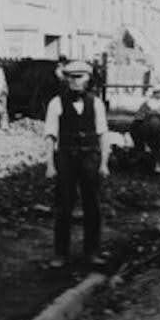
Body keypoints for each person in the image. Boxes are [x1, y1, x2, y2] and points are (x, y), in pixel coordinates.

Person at [44, 60, 111, 268]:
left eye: (80, 76)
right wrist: (50, 164)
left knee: (92, 205)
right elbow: (50, 135)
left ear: (88, 79)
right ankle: (60, 254)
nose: (75, 81)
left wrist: (104, 163)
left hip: (90, 157)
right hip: (66, 157)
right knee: (64, 205)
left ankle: (92, 251)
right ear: (66, 79)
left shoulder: (96, 103)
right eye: (71, 77)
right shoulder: (56, 102)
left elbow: (103, 134)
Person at [130, 82, 160, 175]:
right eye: (156, 92)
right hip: (150, 127)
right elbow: (140, 115)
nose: (158, 94)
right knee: (152, 141)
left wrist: (157, 114)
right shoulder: (148, 102)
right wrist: (152, 114)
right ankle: (156, 163)